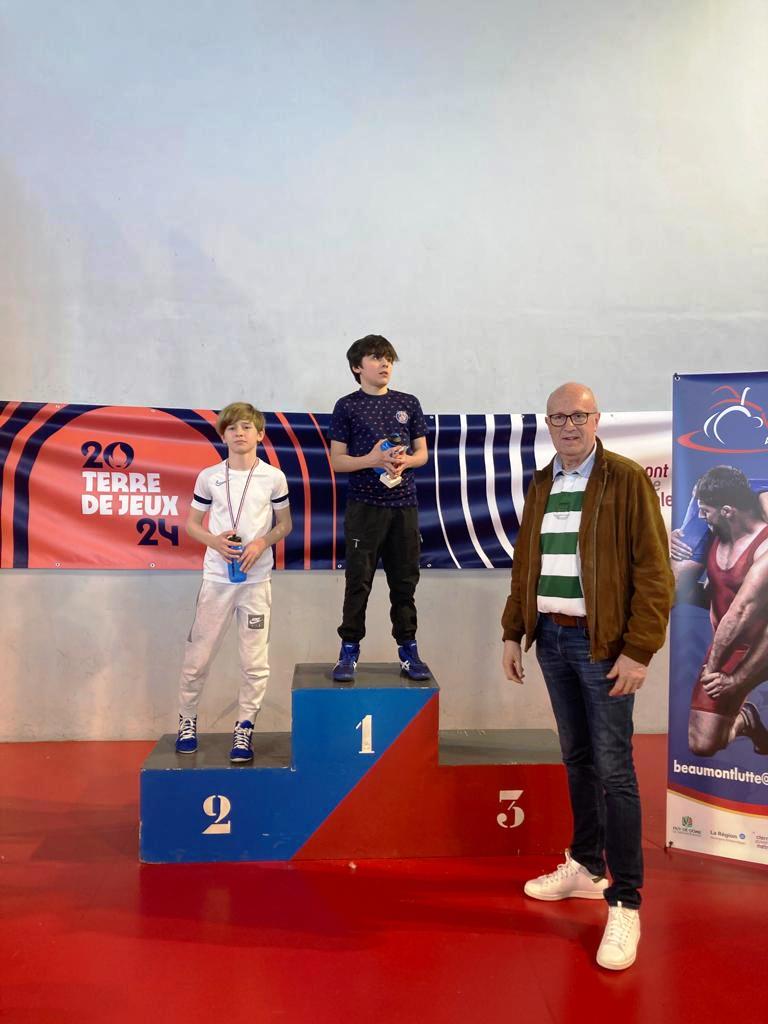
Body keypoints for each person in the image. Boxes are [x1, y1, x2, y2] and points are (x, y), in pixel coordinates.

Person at [500, 382, 673, 972]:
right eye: (558, 417)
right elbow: (525, 564)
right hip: (550, 638)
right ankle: (585, 865)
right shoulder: (542, 483)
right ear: (547, 424)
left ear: (597, 419)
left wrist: (639, 650)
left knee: (615, 770)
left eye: (579, 415)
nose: (569, 426)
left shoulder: (625, 479)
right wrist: (512, 631)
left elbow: (654, 571)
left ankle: (625, 901)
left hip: (602, 647)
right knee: (577, 758)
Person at [175, 402, 292, 762]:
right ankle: (187, 720)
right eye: (232, 428)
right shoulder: (209, 476)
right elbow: (192, 525)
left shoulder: (273, 477)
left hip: (256, 581)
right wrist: (216, 542)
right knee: (198, 657)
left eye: (246, 427)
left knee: (254, 662)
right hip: (217, 579)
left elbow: (285, 525)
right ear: (222, 435)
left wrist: (261, 542)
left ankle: (244, 729)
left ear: (260, 434)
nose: (239, 433)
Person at [329, 335, 430, 682]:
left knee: (404, 583)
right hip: (364, 507)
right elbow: (337, 461)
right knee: (358, 582)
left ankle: (408, 651)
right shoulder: (347, 406)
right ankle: (348, 651)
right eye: (375, 357)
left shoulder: (408, 403)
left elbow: (422, 453)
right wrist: (372, 459)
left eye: (388, 358)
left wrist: (405, 462)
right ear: (357, 367)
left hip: (404, 506)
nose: (385, 363)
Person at [686, 466, 768, 757]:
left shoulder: (763, 548)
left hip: (762, 647)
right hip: (732, 640)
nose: (699, 516)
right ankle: (746, 720)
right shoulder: (715, 531)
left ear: (728, 511)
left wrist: (716, 671)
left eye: (705, 511)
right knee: (703, 744)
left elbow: (740, 612)